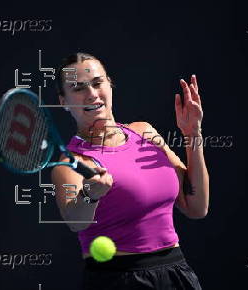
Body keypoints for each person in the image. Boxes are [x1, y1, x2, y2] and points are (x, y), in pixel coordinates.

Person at [50, 52, 209, 290]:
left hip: (177, 273)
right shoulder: (70, 163)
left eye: (97, 83)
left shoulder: (145, 132)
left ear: (110, 84)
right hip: (119, 281)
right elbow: (76, 222)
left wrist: (192, 135)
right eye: (78, 88)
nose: (92, 94)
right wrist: (90, 194)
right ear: (63, 101)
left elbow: (197, 207)